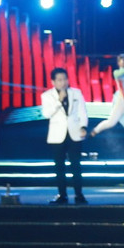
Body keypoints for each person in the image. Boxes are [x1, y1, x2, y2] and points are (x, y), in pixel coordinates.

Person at [40, 67, 88, 204]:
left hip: (74, 133)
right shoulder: (47, 96)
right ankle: (62, 195)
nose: (63, 82)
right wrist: (58, 101)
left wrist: (83, 126)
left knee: (76, 166)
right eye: (60, 80)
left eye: (65, 79)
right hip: (57, 136)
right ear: (53, 82)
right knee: (59, 167)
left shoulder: (76, 93)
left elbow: (82, 111)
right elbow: (46, 114)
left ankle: (79, 194)